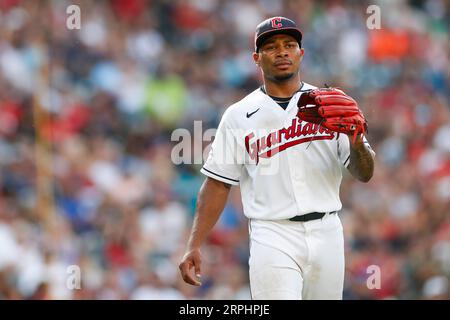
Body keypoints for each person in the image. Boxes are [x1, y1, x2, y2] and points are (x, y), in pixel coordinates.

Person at [179, 16, 375, 300]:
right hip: (272, 234)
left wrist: (357, 144)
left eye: (289, 44)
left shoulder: (332, 104)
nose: (282, 51)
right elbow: (217, 184)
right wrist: (194, 244)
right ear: (256, 58)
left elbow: (365, 172)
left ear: (301, 53)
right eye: (271, 47)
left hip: (327, 231)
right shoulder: (238, 115)